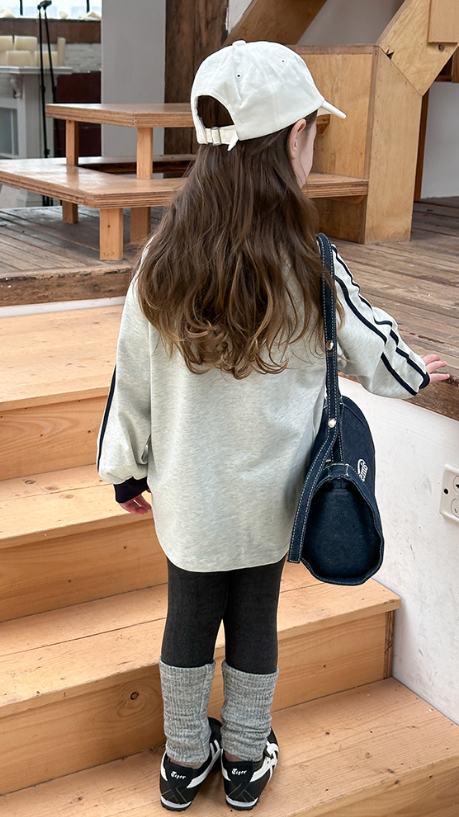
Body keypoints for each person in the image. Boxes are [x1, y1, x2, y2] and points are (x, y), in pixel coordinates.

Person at [96, 40, 449, 812]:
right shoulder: (308, 261)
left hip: (188, 496)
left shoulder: (159, 259)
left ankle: (183, 760)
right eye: (313, 130)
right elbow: (369, 345)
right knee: (255, 618)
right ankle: (245, 757)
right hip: (271, 499)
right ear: (293, 139)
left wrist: (125, 467)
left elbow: (131, 377)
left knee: (188, 618)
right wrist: (417, 371)